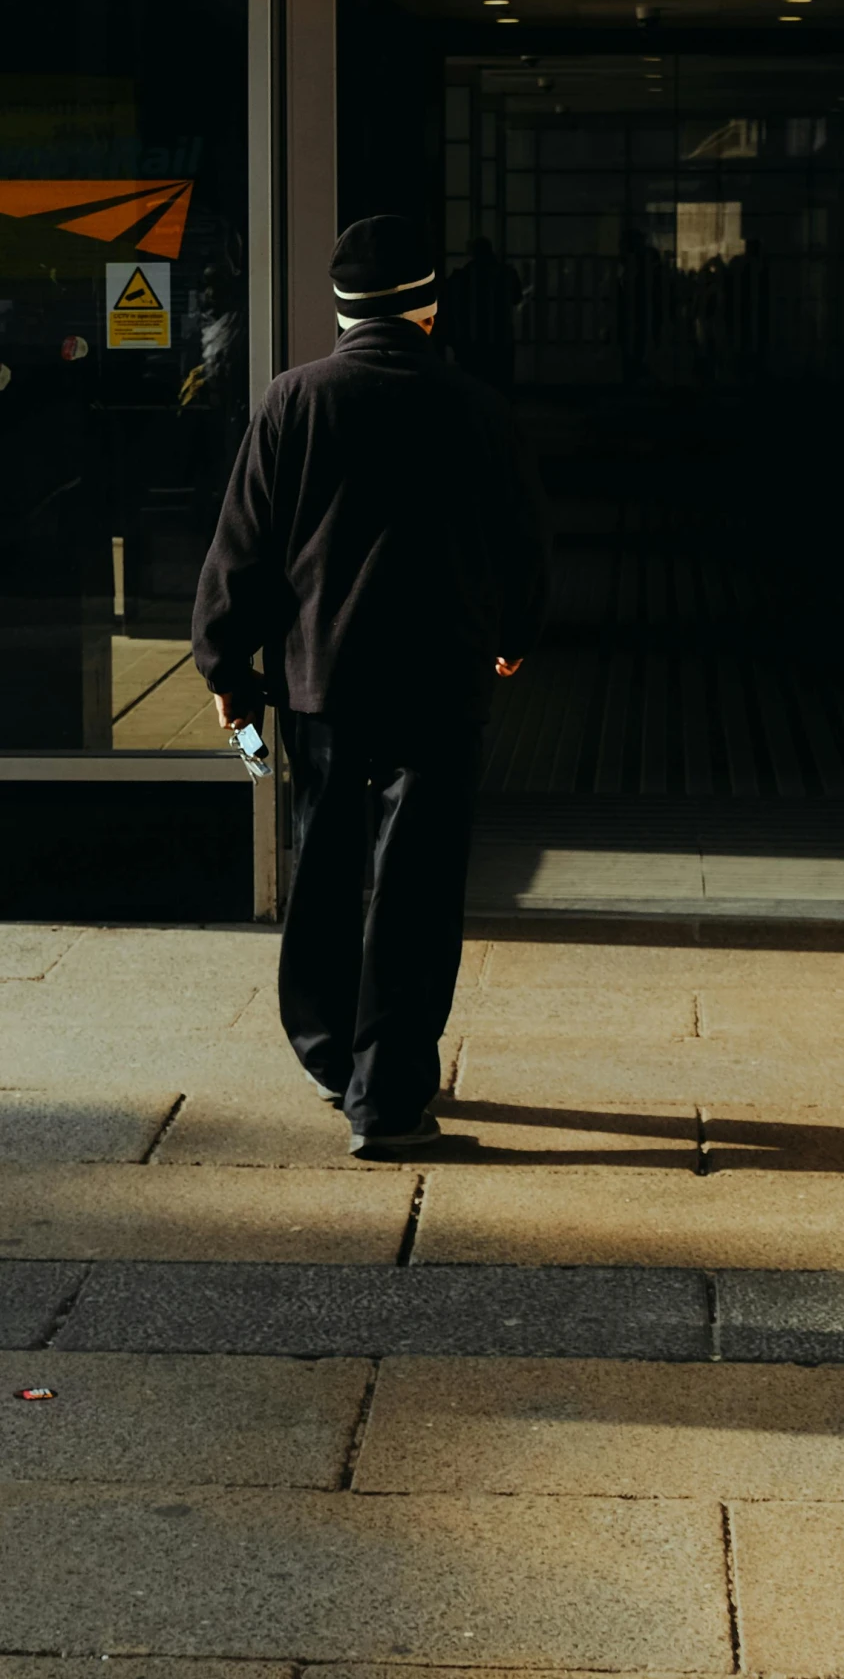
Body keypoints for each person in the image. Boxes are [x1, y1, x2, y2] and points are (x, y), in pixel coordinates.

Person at [191, 214, 551, 1158]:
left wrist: (227, 667)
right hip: (441, 682)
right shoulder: (478, 405)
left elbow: (244, 549)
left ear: (343, 309)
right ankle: (387, 1097)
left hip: (321, 681)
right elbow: (523, 544)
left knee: (324, 867)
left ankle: (324, 1051)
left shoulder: (292, 400)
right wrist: (514, 635)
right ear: (429, 308)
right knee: (417, 884)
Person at [440, 234, 522, 393]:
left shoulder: (461, 277)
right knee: (499, 386)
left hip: (470, 340)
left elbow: (447, 305)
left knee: (473, 386)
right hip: (500, 338)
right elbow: (516, 298)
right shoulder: (506, 274)